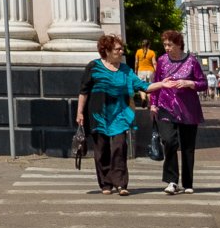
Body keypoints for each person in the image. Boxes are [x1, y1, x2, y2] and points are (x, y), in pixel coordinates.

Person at [77, 35, 166, 196]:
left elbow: (143, 85)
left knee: (120, 146)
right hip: (98, 115)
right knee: (101, 149)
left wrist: (163, 84)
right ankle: (106, 183)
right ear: (107, 51)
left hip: (120, 114)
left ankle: (120, 183)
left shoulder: (126, 70)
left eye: (121, 48)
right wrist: (80, 112)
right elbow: (83, 91)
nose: (122, 51)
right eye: (118, 49)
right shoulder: (94, 67)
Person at [150, 28, 206, 193]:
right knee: (169, 141)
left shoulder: (192, 61)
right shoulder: (161, 60)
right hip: (166, 106)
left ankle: (188, 183)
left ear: (179, 44)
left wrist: (190, 84)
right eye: (165, 44)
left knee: (188, 146)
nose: (167, 48)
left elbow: (203, 83)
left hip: (188, 109)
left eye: (170, 44)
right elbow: (156, 83)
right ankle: (171, 181)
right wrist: (153, 104)